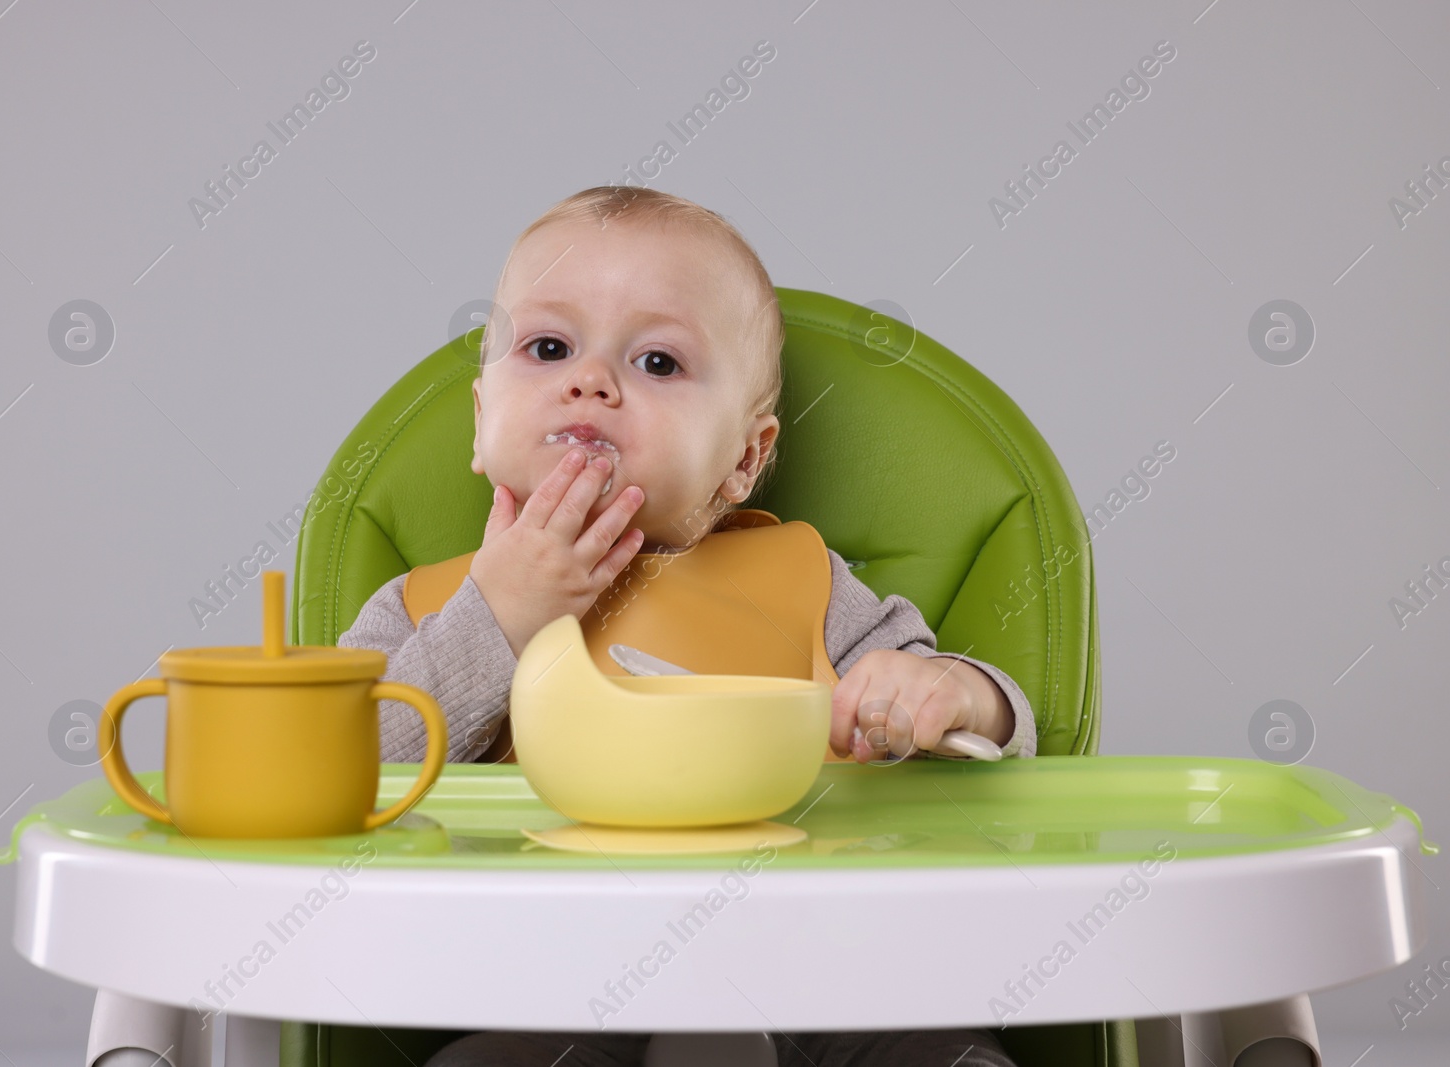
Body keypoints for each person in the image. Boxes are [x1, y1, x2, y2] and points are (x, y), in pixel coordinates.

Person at [339, 185, 1035, 1067]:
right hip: (550, 995)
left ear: (743, 458)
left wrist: (955, 696)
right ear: (481, 423)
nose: (590, 379)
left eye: (658, 363)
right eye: (548, 347)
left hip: (824, 981)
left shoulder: (804, 577)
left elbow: (1002, 751)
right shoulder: (423, 607)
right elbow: (331, 777)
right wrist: (501, 614)